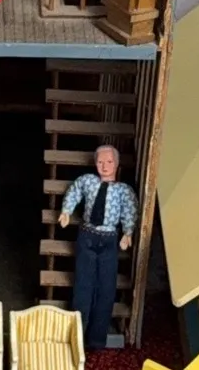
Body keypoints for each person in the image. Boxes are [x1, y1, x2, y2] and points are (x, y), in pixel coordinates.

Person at [57, 143, 138, 350]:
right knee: (83, 286)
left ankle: (96, 339)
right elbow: (74, 191)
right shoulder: (88, 181)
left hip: (109, 239)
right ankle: (76, 335)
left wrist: (128, 232)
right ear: (95, 164)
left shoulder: (123, 190)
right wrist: (66, 211)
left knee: (106, 289)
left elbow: (129, 210)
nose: (105, 166)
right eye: (100, 162)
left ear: (116, 164)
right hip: (87, 236)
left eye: (109, 161)